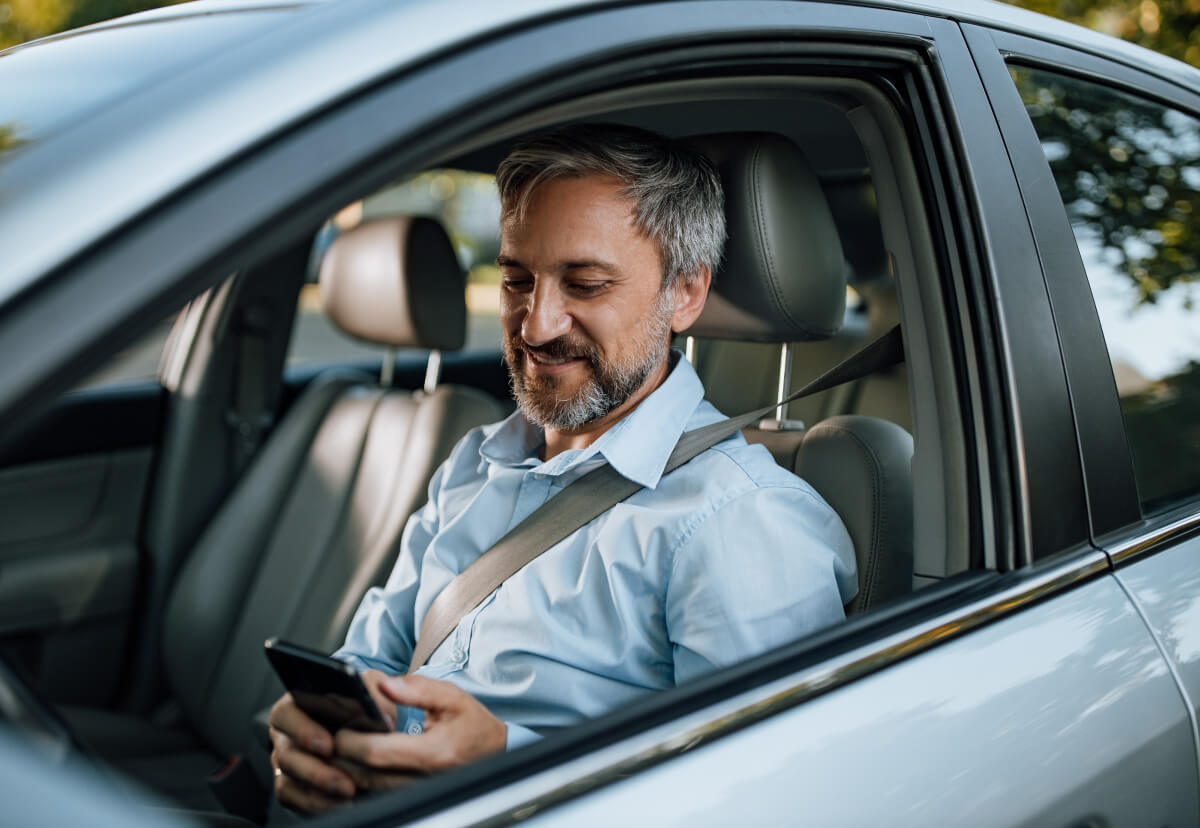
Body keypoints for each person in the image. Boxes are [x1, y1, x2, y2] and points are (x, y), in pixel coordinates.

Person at [268, 124, 857, 812]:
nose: (536, 325)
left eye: (585, 283)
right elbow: (375, 656)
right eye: (517, 279)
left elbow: (765, 801)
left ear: (686, 294)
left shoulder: (740, 522)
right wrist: (318, 730)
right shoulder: (475, 460)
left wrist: (506, 766)